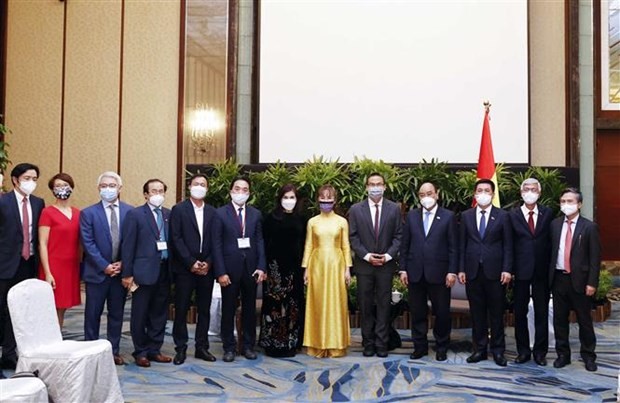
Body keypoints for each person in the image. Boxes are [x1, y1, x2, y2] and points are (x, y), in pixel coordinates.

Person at [399, 182, 457, 362]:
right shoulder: (412, 216)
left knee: (441, 312)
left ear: (437, 194)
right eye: (422, 194)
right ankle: (419, 347)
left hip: (440, 273)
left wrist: (452, 271)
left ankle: (441, 346)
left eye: (430, 193)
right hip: (415, 272)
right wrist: (402, 269)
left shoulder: (448, 216)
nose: (426, 197)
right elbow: (405, 244)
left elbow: (453, 247)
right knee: (417, 312)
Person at [458, 179, 513, 367]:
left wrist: (507, 268)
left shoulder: (503, 216)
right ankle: (479, 349)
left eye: (486, 190)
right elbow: (462, 244)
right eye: (479, 190)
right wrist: (461, 269)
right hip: (473, 272)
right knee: (477, 313)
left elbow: (508, 245)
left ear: (492, 194)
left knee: (496, 313)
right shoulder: (466, 216)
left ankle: (498, 351)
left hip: (496, 273)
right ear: (475, 194)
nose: (482, 193)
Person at [80, 171, 132, 365]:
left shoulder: (130, 211)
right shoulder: (88, 213)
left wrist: (123, 264)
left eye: (112, 185)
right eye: (104, 186)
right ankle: (90, 352)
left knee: (117, 314)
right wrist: (104, 266)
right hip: (97, 273)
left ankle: (113, 351)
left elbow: (132, 242)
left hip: (120, 273)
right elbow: (88, 243)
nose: (108, 189)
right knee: (92, 314)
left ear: (120, 188)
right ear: (98, 189)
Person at [213, 177, 266, 363]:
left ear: (249, 193)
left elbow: (259, 241)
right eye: (237, 188)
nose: (241, 192)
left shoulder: (256, 214)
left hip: (250, 269)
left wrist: (261, 266)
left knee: (249, 310)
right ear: (230, 191)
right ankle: (229, 347)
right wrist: (220, 272)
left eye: (245, 189)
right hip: (229, 270)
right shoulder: (220, 214)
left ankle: (248, 346)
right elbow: (216, 245)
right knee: (228, 309)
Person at [348, 173, 402, 358]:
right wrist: (367, 255)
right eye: (372, 184)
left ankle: (381, 344)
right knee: (365, 305)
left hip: (386, 266)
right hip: (365, 266)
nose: (375, 187)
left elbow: (398, 236)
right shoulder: (356, 209)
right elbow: (353, 237)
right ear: (366, 187)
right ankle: (368, 343)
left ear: (385, 186)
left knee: (383, 306)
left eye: (379, 184)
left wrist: (387, 256)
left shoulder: (394, 209)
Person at [121, 179, 172, 367]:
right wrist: (127, 273)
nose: (157, 194)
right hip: (142, 272)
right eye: (153, 191)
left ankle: (154, 349)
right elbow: (128, 246)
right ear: (145, 194)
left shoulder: (168, 214)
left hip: (165, 270)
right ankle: (140, 351)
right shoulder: (135, 215)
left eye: (161, 190)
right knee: (140, 314)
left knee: (159, 313)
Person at [549, 188, 600, 372]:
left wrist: (592, 283)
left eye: (570, 201)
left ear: (579, 204)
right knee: (559, 320)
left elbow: (595, 258)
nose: (566, 205)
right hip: (559, 278)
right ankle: (563, 355)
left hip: (580, 280)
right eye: (563, 201)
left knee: (584, 320)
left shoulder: (589, 227)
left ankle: (588, 355)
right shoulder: (554, 225)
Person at [0, 163, 45, 374]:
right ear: (15, 180)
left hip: (28, 264)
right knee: (2, 309)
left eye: (35, 179)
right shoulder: (3, 202)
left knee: (19, 311)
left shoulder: (38, 203)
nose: (32, 182)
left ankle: (11, 353)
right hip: (5, 264)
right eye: (27, 178)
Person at [169, 173, 217, 365]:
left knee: (204, 309)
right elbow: (176, 238)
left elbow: (216, 240)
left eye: (203, 184)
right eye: (196, 183)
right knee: (181, 309)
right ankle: (180, 348)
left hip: (207, 268)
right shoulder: (178, 210)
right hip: (185, 269)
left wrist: (209, 262)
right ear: (189, 187)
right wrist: (191, 263)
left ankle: (201, 347)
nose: (199, 187)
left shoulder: (214, 212)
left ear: (207, 189)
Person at [302, 185, 352, 358]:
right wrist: (306, 269)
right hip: (316, 266)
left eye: (329, 200)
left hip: (337, 265)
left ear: (335, 201)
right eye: (323, 200)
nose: (326, 203)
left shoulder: (341, 221)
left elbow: (346, 246)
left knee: (336, 302)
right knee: (317, 302)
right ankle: (316, 344)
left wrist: (347, 269)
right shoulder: (312, 222)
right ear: (318, 201)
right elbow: (309, 245)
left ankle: (336, 344)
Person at [259, 184, 306, 357]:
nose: (289, 201)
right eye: (285, 197)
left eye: (292, 197)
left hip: (295, 270)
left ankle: (291, 343)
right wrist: (263, 267)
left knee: (293, 305)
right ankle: (273, 343)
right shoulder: (270, 218)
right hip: (274, 270)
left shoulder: (302, 219)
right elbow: (263, 243)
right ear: (280, 199)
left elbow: (305, 245)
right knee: (274, 306)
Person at [509, 178, 553, 366]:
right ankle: (523, 351)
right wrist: (509, 270)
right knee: (519, 313)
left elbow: (551, 242)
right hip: (520, 272)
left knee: (541, 312)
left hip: (541, 272)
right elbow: (509, 245)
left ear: (539, 192)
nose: (530, 192)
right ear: (521, 192)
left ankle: (540, 353)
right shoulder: (512, 215)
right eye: (526, 189)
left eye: (533, 189)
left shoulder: (549, 213)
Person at [38, 173, 81, 329]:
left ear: (71, 187)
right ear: (52, 190)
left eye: (65, 185)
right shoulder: (48, 212)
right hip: (53, 265)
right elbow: (42, 243)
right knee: (50, 305)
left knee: (63, 306)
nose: (62, 189)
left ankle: (58, 335)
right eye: (58, 186)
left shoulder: (78, 213)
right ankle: (48, 339)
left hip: (71, 266)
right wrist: (47, 272)